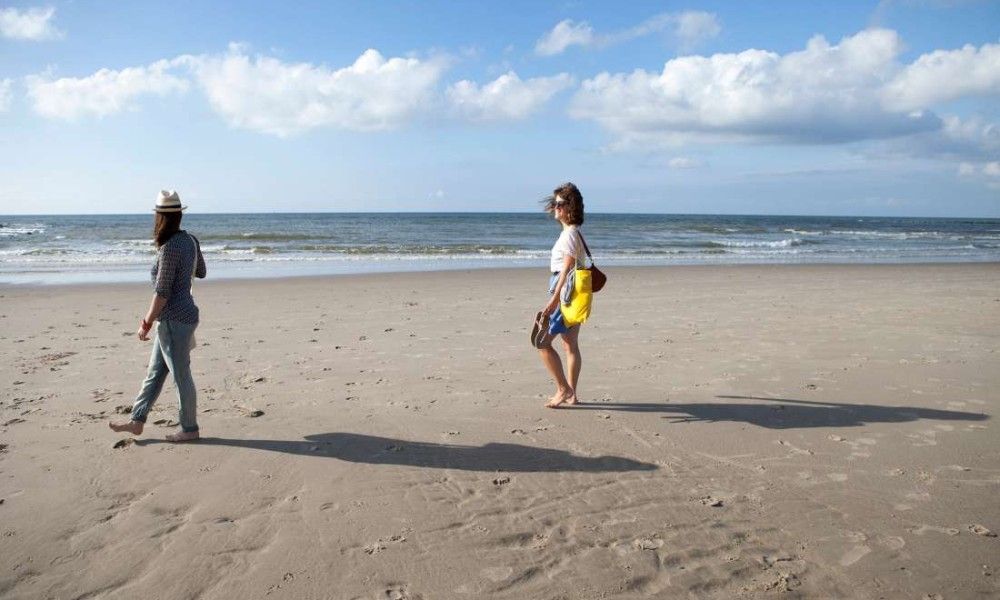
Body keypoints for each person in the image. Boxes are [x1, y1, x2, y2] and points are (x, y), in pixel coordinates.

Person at [110, 190, 206, 442]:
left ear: (160, 217)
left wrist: (146, 323)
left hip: (174, 320)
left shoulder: (169, 247)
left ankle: (189, 429)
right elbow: (202, 271)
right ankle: (136, 420)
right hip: (183, 315)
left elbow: (161, 292)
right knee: (155, 372)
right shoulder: (190, 241)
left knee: (181, 376)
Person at [537, 182, 586, 408]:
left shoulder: (569, 235)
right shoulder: (573, 232)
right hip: (574, 292)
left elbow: (566, 270)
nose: (554, 208)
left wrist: (554, 299)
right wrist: (558, 200)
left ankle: (563, 389)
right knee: (570, 345)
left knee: (542, 342)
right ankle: (572, 394)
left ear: (569, 207)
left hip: (564, 290)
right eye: (554, 204)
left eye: (559, 205)